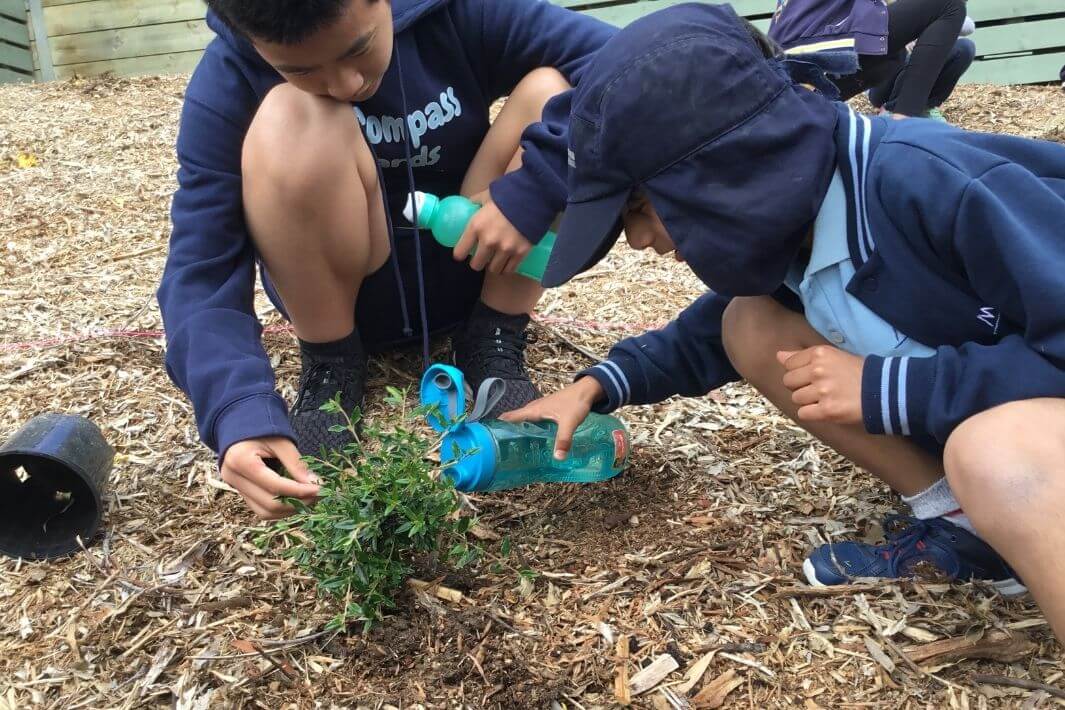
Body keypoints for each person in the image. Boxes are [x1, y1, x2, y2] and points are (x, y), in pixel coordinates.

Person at [505, 3, 1065, 640]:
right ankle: (966, 529)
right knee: (750, 325)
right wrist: (596, 387)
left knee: (995, 455)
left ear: (722, 169)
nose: (637, 241)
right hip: (1001, 407)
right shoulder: (798, 217)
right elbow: (711, 333)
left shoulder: (933, 181)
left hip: (1033, 428)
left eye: (638, 208)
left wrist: (887, 389)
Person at [157, 0, 613, 519]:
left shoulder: (462, 13)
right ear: (253, 40)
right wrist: (237, 411)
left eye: (359, 48)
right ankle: (332, 363)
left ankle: (494, 334)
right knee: (291, 113)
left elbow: (625, 64)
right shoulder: (229, 73)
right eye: (302, 68)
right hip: (341, 290)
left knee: (552, 92)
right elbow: (201, 264)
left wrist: (535, 189)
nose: (347, 83)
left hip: (479, 255)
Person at [768, 0, 972, 117]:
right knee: (949, 5)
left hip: (786, 67)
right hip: (815, 43)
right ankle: (905, 121)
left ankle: (815, 102)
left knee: (893, 56)